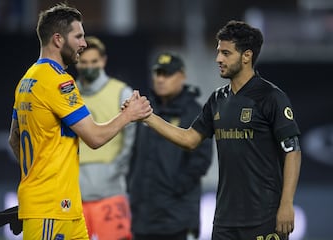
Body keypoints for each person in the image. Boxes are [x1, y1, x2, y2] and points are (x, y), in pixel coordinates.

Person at [133, 20, 301, 240]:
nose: (218, 59)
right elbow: (190, 138)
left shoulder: (271, 97)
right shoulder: (217, 99)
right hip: (224, 219)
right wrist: (148, 117)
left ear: (246, 56)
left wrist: (287, 205)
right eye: (218, 52)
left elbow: (293, 151)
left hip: (264, 216)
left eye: (226, 53)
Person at [7, 3, 151, 239]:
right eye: (78, 36)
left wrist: (34, 182)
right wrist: (128, 115)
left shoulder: (27, 80)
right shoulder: (58, 82)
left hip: (65, 208)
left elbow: (14, 138)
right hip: (51, 209)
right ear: (58, 39)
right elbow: (94, 137)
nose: (83, 43)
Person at [128, 52, 212, 240]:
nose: (160, 79)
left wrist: (173, 189)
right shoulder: (146, 110)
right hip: (143, 217)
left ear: (181, 76)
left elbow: (201, 160)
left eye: (167, 74)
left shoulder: (194, 112)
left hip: (177, 217)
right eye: (158, 73)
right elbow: (135, 155)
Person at [75, 36, 135, 240]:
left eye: (94, 61)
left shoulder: (121, 92)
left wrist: (114, 171)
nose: (89, 66)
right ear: (76, 62)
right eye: (84, 62)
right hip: (74, 194)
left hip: (110, 193)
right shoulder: (67, 93)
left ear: (103, 61)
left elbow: (130, 141)